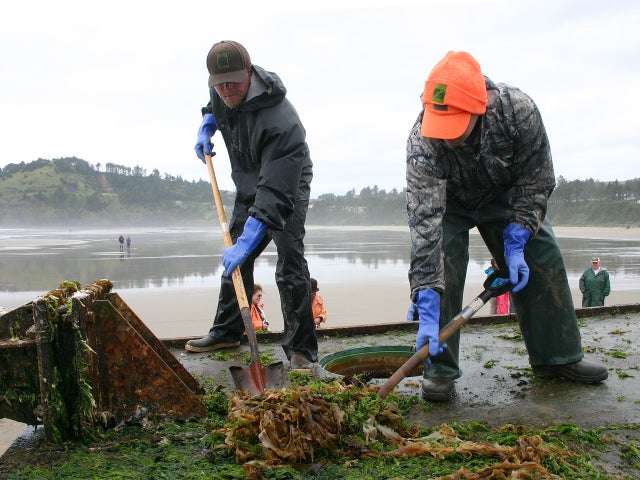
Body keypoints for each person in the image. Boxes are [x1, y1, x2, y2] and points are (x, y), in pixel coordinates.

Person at [406, 51, 608, 402]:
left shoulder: (519, 112)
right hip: (448, 204)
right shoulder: (422, 140)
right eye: (441, 125)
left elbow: (537, 179)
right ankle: (439, 370)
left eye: (455, 124)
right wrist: (424, 288)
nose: (447, 137)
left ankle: (557, 357)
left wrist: (516, 240)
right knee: (442, 269)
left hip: (505, 196)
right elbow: (425, 221)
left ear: (476, 107)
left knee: (541, 254)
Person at [185, 40, 317, 372]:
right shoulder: (222, 91)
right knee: (236, 259)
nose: (227, 90)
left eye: (233, 82)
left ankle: (301, 349)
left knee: (289, 257)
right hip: (249, 183)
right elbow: (215, 106)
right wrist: (207, 125)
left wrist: (249, 240)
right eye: (219, 83)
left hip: (288, 182)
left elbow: (273, 192)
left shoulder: (282, 121)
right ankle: (228, 331)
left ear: (250, 72)